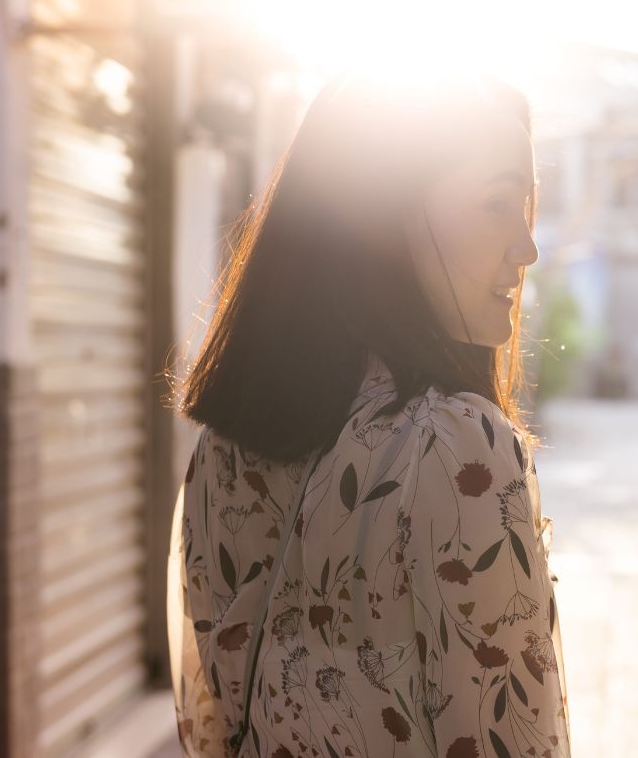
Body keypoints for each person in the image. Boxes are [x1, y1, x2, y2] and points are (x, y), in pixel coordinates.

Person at [167, 71, 567, 758]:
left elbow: (211, 726)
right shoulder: (458, 447)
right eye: (496, 203)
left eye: (525, 208)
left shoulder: (225, 446)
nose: (525, 248)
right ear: (388, 217)